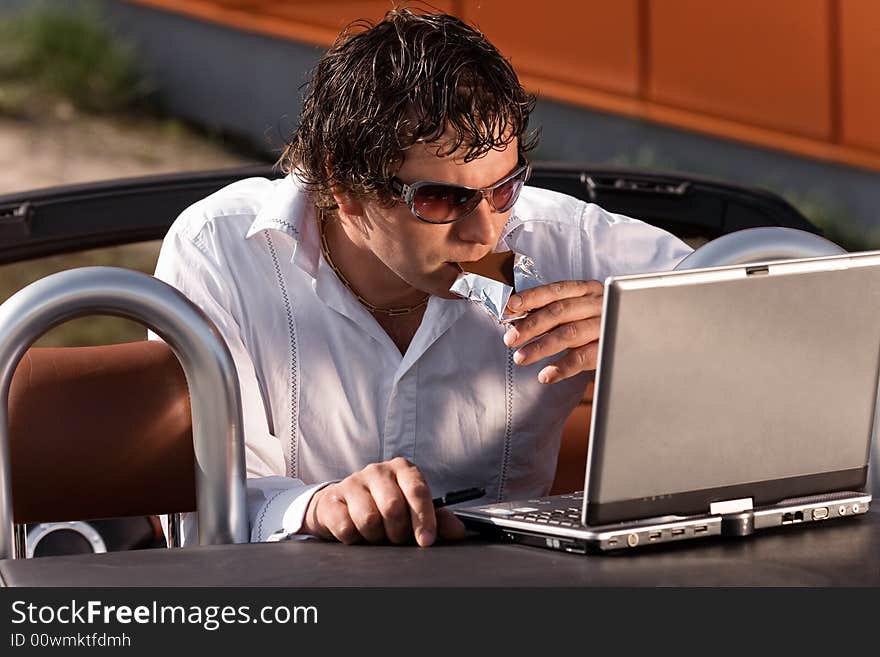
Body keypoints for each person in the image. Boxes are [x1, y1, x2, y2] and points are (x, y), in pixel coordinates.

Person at [153, 9, 692, 546]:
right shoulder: (218, 248)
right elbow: (199, 508)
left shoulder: (564, 241)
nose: (485, 233)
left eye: (503, 189)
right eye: (443, 199)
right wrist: (313, 507)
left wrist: (660, 325)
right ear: (344, 187)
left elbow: (765, 308)